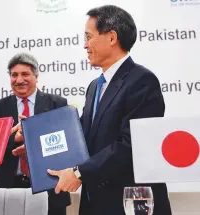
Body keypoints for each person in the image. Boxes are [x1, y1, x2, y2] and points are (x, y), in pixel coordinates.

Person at [46, 5, 172, 215]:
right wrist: (38, 147)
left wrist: (78, 173)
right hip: (95, 203)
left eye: (88, 37)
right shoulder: (95, 86)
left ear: (112, 38)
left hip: (130, 203)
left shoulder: (142, 81)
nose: (84, 45)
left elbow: (131, 144)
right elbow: (82, 137)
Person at [0, 53, 71, 215]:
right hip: (10, 189)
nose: (19, 80)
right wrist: (14, 138)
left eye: (25, 74)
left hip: (50, 187)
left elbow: (66, 144)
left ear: (36, 76)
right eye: (14, 75)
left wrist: (33, 145)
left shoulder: (57, 104)